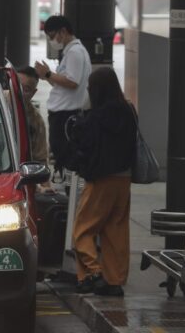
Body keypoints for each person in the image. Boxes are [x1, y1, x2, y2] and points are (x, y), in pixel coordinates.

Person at [70, 67, 137, 296]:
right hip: (124, 179)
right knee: (115, 231)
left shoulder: (96, 116)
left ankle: (94, 271)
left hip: (101, 180)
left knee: (83, 229)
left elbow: (85, 146)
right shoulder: (128, 111)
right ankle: (114, 281)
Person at [35, 15, 92, 175]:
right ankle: (69, 189)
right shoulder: (72, 52)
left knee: (65, 156)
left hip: (65, 114)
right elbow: (63, 83)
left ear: (63, 31)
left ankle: (70, 192)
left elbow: (72, 82)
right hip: (63, 112)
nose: (52, 40)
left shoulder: (75, 52)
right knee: (63, 156)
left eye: (52, 36)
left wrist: (47, 73)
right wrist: (47, 75)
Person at [17, 66, 54, 193]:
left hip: (22, 178)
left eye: (26, 89)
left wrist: (45, 186)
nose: (20, 92)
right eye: (17, 86)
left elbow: (40, 159)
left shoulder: (36, 121)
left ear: (34, 92)